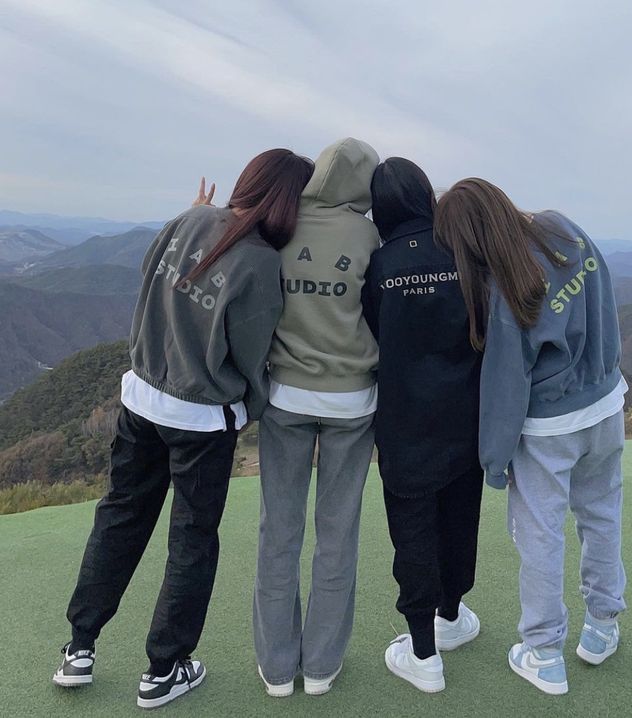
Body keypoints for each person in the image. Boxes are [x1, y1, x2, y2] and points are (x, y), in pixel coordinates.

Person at [52, 149, 314, 709]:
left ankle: (79, 647)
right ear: (291, 204)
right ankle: (163, 669)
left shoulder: (191, 218)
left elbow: (151, 280)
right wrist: (253, 406)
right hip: (200, 422)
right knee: (191, 543)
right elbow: (250, 355)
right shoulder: (262, 263)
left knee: (120, 518)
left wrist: (194, 216)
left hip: (139, 400)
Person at [434, 178, 627, 696]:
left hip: (549, 428)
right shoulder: (562, 228)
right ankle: (603, 627)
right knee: (601, 515)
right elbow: (604, 291)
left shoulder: (502, 286)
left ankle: (543, 653)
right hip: (607, 403)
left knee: (541, 534)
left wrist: (493, 462)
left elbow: (504, 386)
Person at [253, 137, 380, 698]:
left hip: (286, 395)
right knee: (338, 533)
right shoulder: (371, 236)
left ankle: (278, 669)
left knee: (278, 531)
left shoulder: (281, 225)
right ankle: (322, 666)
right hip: (353, 399)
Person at [361, 158, 484, 693]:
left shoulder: (378, 264)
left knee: (411, 532)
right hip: (467, 417)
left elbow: (373, 332)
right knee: (459, 521)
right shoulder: (464, 257)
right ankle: (452, 617)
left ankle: (423, 653)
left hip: (405, 423)